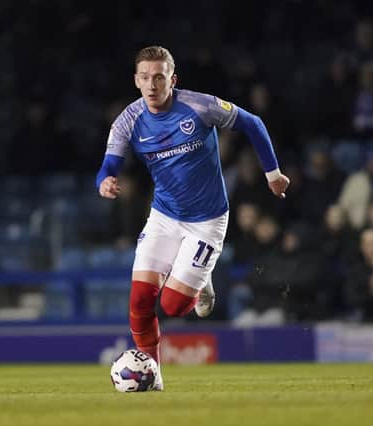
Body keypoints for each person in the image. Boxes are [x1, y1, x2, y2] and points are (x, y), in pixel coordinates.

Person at [95, 46, 289, 390]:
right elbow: (109, 164)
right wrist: (104, 181)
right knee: (139, 300)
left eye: (159, 76)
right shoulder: (129, 119)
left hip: (207, 220)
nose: (152, 84)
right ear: (136, 81)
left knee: (172, 304)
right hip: (164, 216)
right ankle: (152, 376)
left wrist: (272, 174)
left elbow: (253, 123)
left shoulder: (200, 106)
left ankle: (202, 280)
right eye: (145, 77)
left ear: (173, 79)